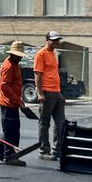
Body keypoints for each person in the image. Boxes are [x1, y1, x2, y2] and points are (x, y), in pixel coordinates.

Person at [0, 41, 31, 165]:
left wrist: (18, 99)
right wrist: (16, 99)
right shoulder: (9, 65)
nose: (19, 57)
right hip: (8, 102)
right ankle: (10, 155)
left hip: (12, 101)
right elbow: (5, 86)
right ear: (12, 54)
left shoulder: (15, 64)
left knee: (11, 129)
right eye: (17, 55)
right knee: (11, 130)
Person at [32, 32, 68, 162]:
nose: (56, 42)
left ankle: (57, 150)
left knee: (60, 122)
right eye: (53, 40)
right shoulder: (41, 54)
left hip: (56, 92)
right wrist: (40, 93)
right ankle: (44, 150)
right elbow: (38, 75)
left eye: (57, 40)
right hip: (46, 92)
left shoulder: (53, 54)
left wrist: (59, 93)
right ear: (47, 40)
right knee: (44, 123)